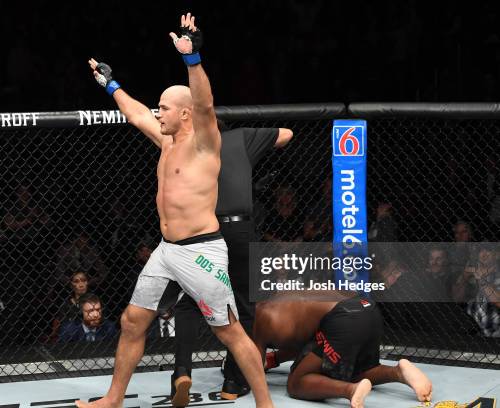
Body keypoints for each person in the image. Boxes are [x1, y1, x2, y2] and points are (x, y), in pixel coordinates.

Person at [78, 13, 274, 408]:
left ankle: (266, 405)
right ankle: (113, 399)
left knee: (230, 332)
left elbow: (204, 102)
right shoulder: (165, 141)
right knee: (133, 321)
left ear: (184, 114)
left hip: (202, 251)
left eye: (164, 108)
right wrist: (109, 83)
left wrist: (192, 60)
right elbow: (134, 113)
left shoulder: (205, 143)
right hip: (167, 250)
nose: (158, 112)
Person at [172, 121, 294, 403]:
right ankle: (234, 381)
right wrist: (252, 148)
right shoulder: (240, 138)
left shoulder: (186, 146)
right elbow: (287, 134)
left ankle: (181, 370)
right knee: (244, 306)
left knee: (190, 300)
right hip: (239, 230)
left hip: (204, 230)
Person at [254, 291, 433, 408]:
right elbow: (304, 346)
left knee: (296, 383)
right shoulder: (283, 301)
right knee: (353, 370)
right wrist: (274, 359)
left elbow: (253, 365)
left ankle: (350, 390)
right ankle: (398, 372)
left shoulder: (260, 318)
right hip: (367, 309)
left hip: (343, 319)